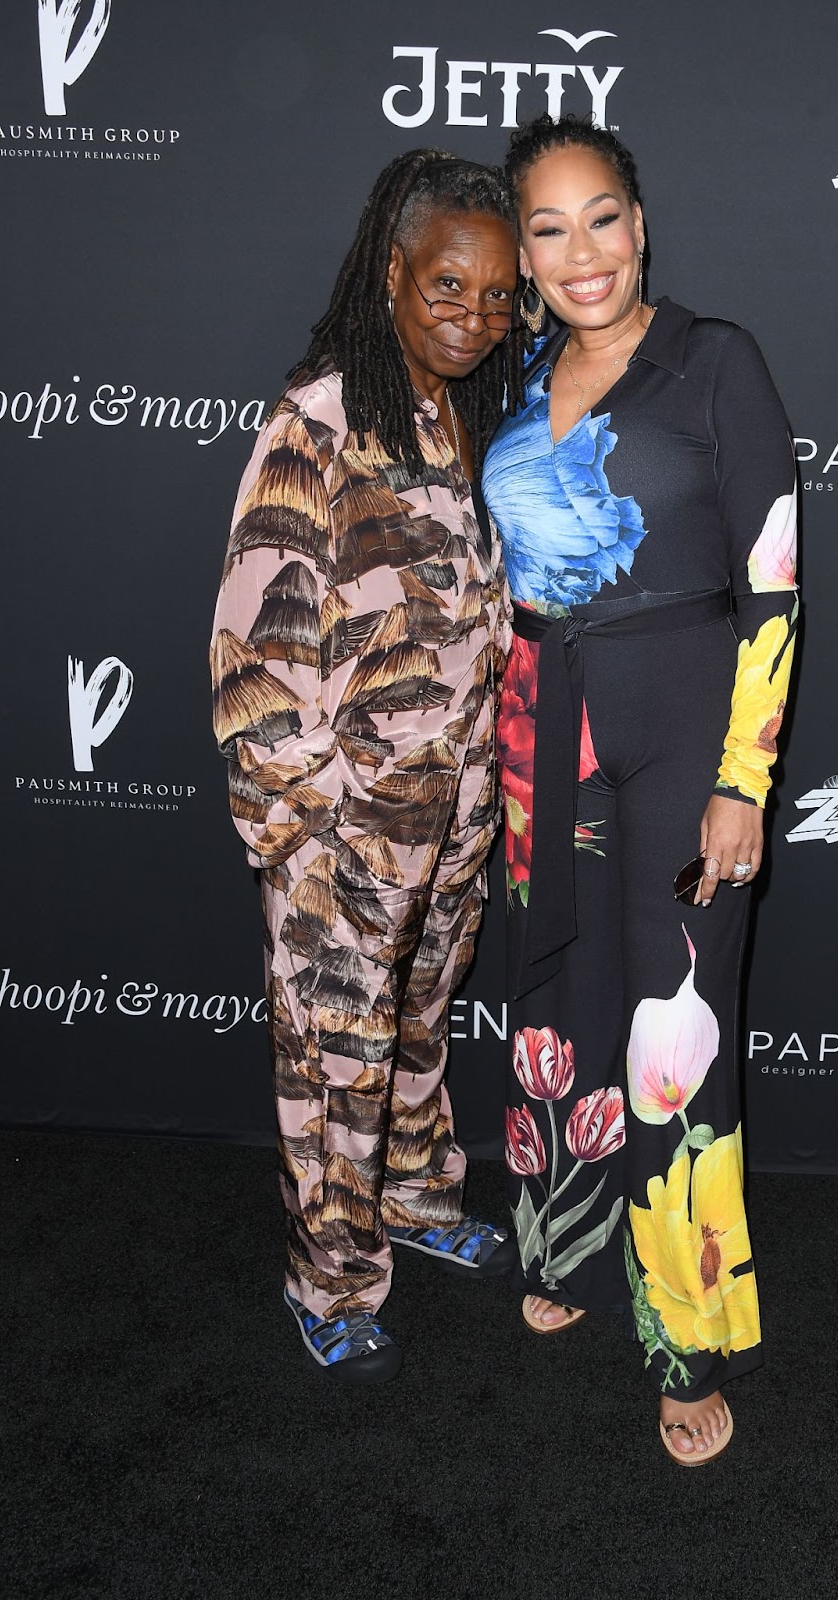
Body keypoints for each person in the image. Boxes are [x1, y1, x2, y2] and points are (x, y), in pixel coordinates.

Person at [483, 117, 799, 1461]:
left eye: (599, 216)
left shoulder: (712, 359)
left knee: (672, 1046)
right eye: (547, 230)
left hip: (684, 738)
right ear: (524, 255)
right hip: (541, 732)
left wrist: (744, 781)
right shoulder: (518, 373)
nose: (580, 252)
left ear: (641, 220)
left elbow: (773, 580)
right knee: (556, 993)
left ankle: (683, 1336)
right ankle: (557, 1242)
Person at [210, 151, 525, 1383]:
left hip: (451, 811)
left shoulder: (466, 407)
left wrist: (469, 800)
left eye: (500, 296)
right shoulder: (319, 419)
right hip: (341, 822)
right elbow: (253, 653)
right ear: (393, 272)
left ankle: (413, 1192)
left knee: (415, 1023)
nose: (476, 315)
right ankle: (328, 1279)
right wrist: (306, 832)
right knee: (335, 1048)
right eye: (450, 284)